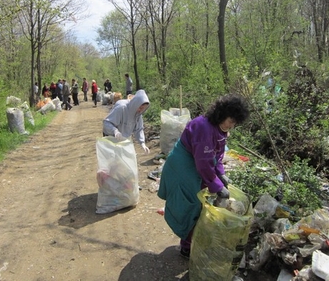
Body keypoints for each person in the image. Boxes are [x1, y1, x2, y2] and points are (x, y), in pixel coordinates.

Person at [157, 94, 249, 259]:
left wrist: (220, 172)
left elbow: (218, 154)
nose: (232, 125)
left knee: (199, 205)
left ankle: (193, 242)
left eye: (235, 123)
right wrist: (216, 185)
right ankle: (187, 246)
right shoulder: (203, 127)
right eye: (230, 121)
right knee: (191, 204)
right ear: (221, 114)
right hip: (183, 167)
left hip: (196, 165)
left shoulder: (221, 129)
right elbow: (204, 163)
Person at [103, 89, 150, 154]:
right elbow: (106, 122)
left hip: (123, 139)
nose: (140, 110)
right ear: (135, 104)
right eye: (140, 107)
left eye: (143, 109)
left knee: (123, 159)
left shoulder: (138, 114)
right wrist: (115, 131)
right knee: (112, 159)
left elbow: (139, 129)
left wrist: (142, 143)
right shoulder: (122, 108)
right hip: (111, 137)